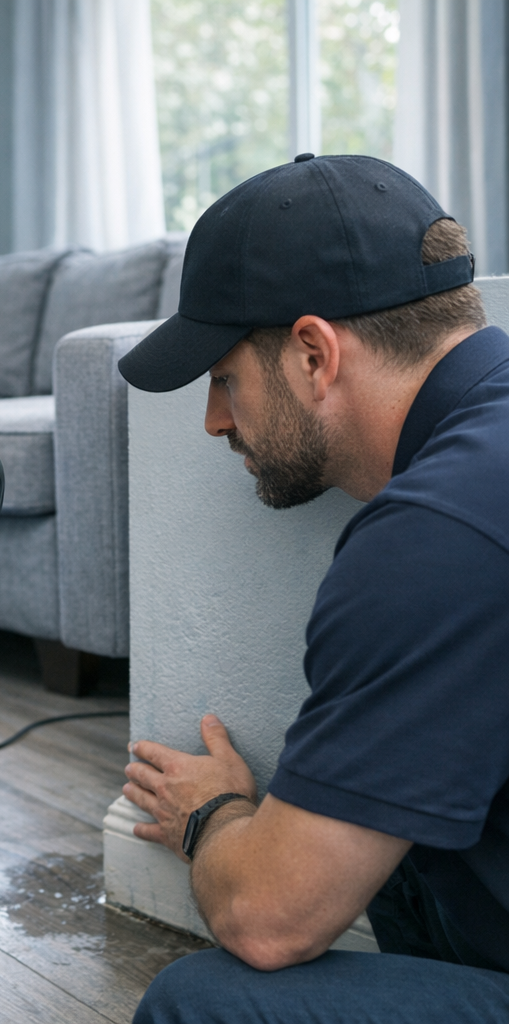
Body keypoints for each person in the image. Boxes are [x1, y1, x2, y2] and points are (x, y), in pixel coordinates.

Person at [116, 153, 509, 1023]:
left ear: (313, 352)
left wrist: (212, 815)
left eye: (223, 378)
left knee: (202, 1003)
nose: (215, 420)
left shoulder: (435, 532)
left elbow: (267, 921)